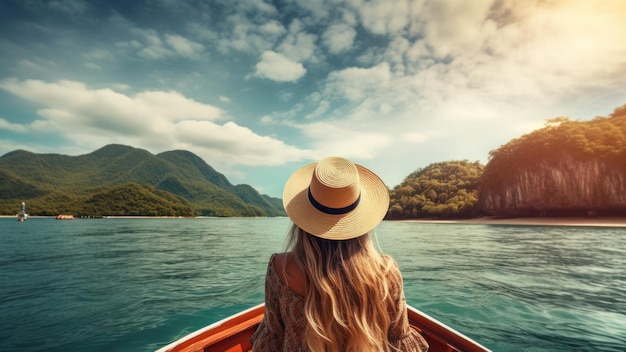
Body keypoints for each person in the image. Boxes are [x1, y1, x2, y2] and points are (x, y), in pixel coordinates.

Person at [251, 156, 429, 352]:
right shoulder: (386, 270)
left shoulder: (279, 267)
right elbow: (399, 342)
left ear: (303, 219)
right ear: (362, 219)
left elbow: (273, 341)